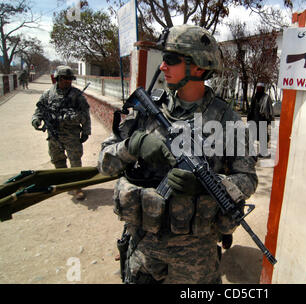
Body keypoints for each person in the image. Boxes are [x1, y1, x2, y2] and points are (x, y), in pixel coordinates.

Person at [98, 25, 258, 284]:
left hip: (196, 255)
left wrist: (210, 185)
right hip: (144, 245)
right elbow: (103, 163)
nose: (162, 67)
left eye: (170, 60)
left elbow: (248, 180)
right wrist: (133, 146)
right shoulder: (146, 108)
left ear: (198, 66)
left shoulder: (227, 120)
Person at [31, 65, 91, 200]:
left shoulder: (77, 95)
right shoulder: (48, 94)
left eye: (70, 79)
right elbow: (39, 110)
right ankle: (64, 184)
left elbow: (85, 114)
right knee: (58, 160)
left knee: (75, 161)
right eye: (64, 78)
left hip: (71, 134)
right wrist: (36, 120)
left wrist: (86, 131)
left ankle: (77, 187)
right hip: (54, 134)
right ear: (57, 78)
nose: (67, 81)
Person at [247, 83, 274, 155]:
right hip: (253, 120)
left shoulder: (267, 97)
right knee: (250, 137)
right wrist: (249, 118)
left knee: (263, 138)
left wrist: (269, 120)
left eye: (260, 88)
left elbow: (270, 109)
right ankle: (249, 153)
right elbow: (251, 109)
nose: (258, 89)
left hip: (262, 120)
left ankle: (263, 153)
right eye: (257, 88)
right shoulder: (255, 97)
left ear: (263, 89)